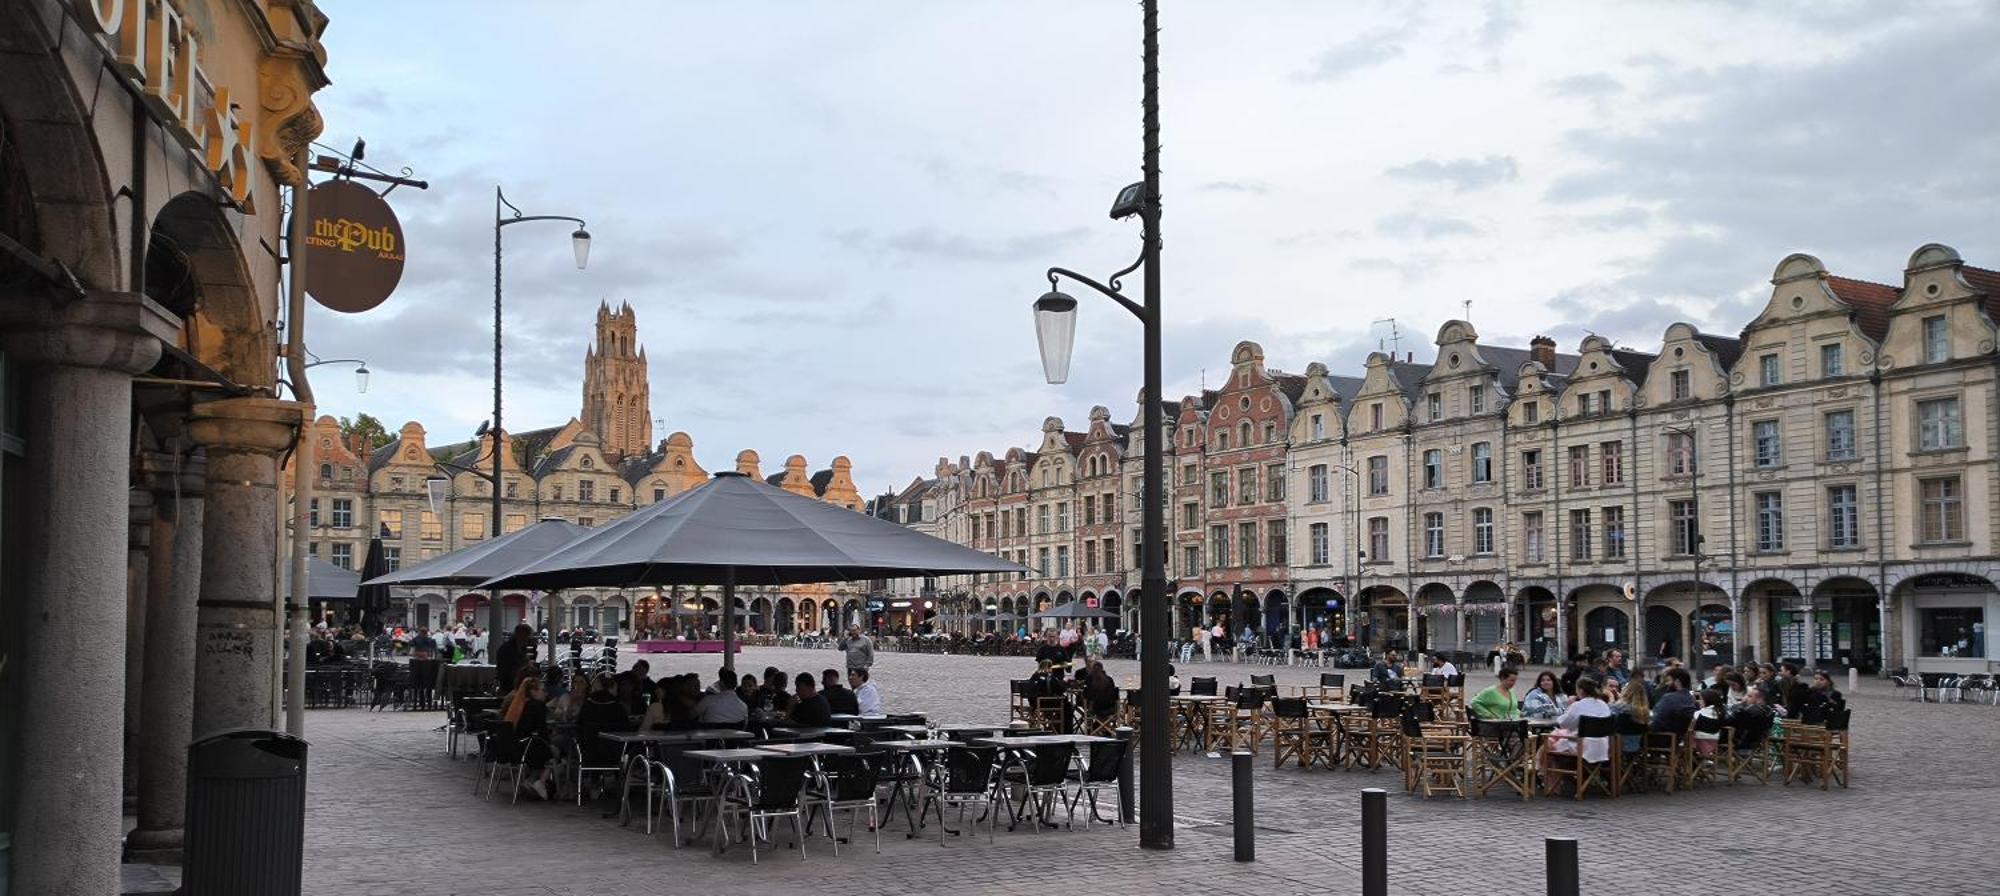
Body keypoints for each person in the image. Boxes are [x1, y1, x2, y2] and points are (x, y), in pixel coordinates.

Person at [1544, 677, 1614, 790]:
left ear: (1580, 690)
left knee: (1548, 745)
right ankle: (1578, 779)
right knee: (1560, 741)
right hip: (1603, 747)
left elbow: (1563, 723)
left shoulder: (1578, 705)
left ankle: (1553, 783)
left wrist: (1569, 707)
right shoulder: (1603, 705)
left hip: (1582, 747)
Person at [500, 675, 556, 799]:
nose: (545, 693)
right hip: (528, 748)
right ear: (533, 692)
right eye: (542, 690)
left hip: (514, 747)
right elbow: (543, 732)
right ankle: (541, 781)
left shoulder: (520, 705)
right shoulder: (537, 706)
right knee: (556, 752)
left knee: (545, 750)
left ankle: (530, 781)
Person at [1608, 674, 1650, 755]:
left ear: (1628, 691)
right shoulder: (1644, 711)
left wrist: (1611, 698)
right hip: (1638, 746)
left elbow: (1607, 713)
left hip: (1620, 746)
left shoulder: (1621, 708)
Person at [1651, 667, 1697, 736]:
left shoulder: (1669, 698)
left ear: (1677, 682)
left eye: (1669, 680)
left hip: (1662, 738)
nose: (1667, 684)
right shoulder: (1691, 698)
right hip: (1678, 737)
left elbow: (1656, 719)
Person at [493, 624, 535, 696]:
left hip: (517, 686)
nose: (527, 640)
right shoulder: (507, 649)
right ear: (519, 635)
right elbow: (506, 670)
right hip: (508, 688)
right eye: (526, 636)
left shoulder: (522, 648)